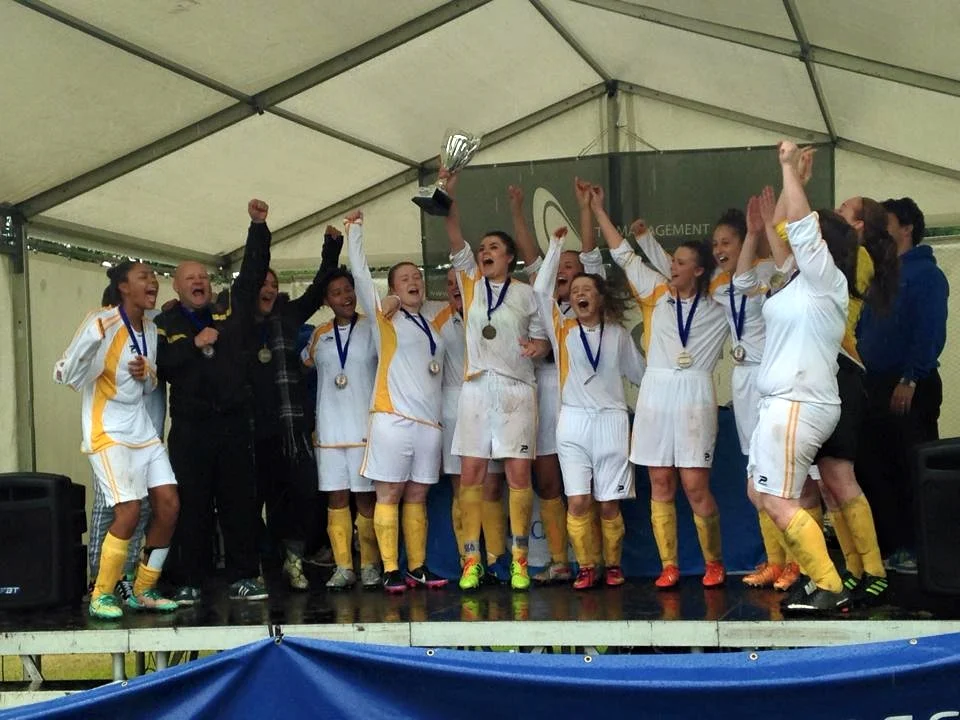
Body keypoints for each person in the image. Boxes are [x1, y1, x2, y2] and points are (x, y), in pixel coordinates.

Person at [740, 141, 859, 613]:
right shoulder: (796, 279)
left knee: (775, 496)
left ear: (824, 246)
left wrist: (788, 167)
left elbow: (801, 229)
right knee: (760, 492)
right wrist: (795, 183)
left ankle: (828, 584)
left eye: (807, 234)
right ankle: (816, 576)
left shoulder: (826, 281)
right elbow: (784, 230)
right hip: (781, 402)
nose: (791, 235)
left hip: (798, 401)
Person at [591, 185, 728, 589]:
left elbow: (739, 272)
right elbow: (622, 254)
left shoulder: (718, 302)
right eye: (672, 260)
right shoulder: (655, 291)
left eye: (681, 262)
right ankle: (669, 565)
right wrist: (598, 209)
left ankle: (714, 562)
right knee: (661, 482)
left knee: (694, 485)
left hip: (694, 395)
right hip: (655, 393)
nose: (672, 266)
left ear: (699, 271)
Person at [156, 199, 271, 605]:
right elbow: (162, 365)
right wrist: (193, 344)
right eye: (190, 277)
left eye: (203, 276)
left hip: (234, 424)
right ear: (176, 286)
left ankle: (245, 575)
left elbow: (253, 274)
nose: (199, 281)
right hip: (191, 429)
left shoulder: (229, 311)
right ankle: (189, 579)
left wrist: (258, 228)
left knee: (239, 503)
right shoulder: (165, 323)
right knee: (193, 505)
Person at [444, 172, 551, 592]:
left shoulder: (526, 294)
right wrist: (448, 192)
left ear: (509, 258)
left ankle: (520, 560)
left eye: (493, 248)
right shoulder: (470, 283)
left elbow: (544, 339)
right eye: (482, 248)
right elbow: (453, 231)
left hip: (516, 389)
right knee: (471, 473)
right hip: (476, 387)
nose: (485, 252)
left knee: (518, 475)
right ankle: (472, 559)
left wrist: (537, 347)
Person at [54, 262, 180, 619]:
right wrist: (89, 345)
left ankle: (144, 588)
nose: (153, 281)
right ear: (124, 287)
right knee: (128, 510)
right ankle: (102, 593)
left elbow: (150, 384)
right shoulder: (101, 321)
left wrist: (147, 372)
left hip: (142, 430)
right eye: (144, 277)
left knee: (169, 505)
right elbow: (65, 374)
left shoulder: (150, 328)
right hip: (107, 431)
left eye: (154, 277)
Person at [533, 227, 644, 589]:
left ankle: (612, 565)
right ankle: (585, 566)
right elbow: (540, 292)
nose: (580, 294)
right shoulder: (561, 330)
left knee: (609, 504)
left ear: (599, 299)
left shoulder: (618, 335)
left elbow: (641, 375)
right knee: (578, 501)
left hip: (612, 421)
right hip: (573, 423)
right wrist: (554, 247)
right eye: (575, 290)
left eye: (587, 290)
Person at [509, 179, 607, 584]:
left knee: (590, 485)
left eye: (572, 266)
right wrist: (518, 210)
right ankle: (558, 559)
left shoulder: (590, 304)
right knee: (548, 480)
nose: (564, 270)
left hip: (584, 399)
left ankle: (596, 560)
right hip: (545, 393)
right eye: (560, 265)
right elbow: (532, 256)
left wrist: (585, 209)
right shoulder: (544, 301)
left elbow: (590, 253)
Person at [345, 210, 449, 594]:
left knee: (418, 495)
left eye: (417, 277)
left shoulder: (432, 320)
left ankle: (417, 567)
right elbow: (360, 275)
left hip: (429, 424)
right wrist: (355, 231)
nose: (413, 282)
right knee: (388, 493)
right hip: (393, 418)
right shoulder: (384, 318)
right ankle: (390, 568)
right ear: (391, 288)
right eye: (404, 279)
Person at [810, 193, 900, 604]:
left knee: (841, 475)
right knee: (828, 483)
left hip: (842, 372)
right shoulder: (821, 263)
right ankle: (852, 568)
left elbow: (790, 230)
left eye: (844, 209)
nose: (834, 211)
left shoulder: (858, 258)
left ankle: (874, 570)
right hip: (818, 376)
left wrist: (794, 180)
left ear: (859, 226)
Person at [856, 197, 948, 573]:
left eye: (887, 222)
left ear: (907, 228)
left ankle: (917, 547)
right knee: (875, 466)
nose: (880, 229)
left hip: (910, 384)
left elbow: (929, 331)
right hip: (874, 384)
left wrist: (911, 376)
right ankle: (890, 544)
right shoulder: (881, 274)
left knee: (909, 466)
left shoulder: (926, 275)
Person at [249, 227, 343, 590]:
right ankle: (263, 560)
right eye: (263, 283)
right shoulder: (236, 323)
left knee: (303, 494)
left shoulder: (288, 316)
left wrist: (331, 249)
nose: (269, 289)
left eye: (274, 284)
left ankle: (293, 558)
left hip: (292, 428)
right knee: (254, 500)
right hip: (253, 429)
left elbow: (319, 289)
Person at [301, 262, 381, 590]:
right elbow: (305, 365)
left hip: (364, 430)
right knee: (336, 499)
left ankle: (371, 564)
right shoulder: (319, 334)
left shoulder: (373, 328)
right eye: (336, 293)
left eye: (348, 290)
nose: (345, 296)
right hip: (330, 432)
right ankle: (343, 566)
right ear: (326, 301)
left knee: (366, 500)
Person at [434, 268, 508, 580]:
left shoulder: (496, 314)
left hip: (493, 404)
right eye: (449, 284)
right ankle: (469, 559)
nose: (455, 288)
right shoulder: (436, 320)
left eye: (460, 283)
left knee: (492, 486)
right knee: (462, 487)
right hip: (454, 409)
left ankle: (495, 560)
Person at [87, 289, 156, 602]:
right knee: (110, 508)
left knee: (142, 507)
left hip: (142, 437)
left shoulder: (147, 333)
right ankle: (97, 579)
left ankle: (125, 575)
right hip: (110, 439)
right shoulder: (100, 339)